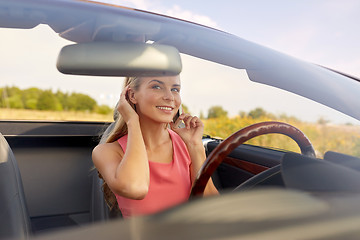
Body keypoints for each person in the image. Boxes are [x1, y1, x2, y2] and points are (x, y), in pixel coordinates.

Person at [92, 75, 218, 218]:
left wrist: (195, 146)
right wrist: (132, 121)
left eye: (175, 89)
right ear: (132, 95)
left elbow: (213, 209)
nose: (170, 97)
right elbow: (136, 188)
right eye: (157, 87)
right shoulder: (107, 152)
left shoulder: (186, 145)